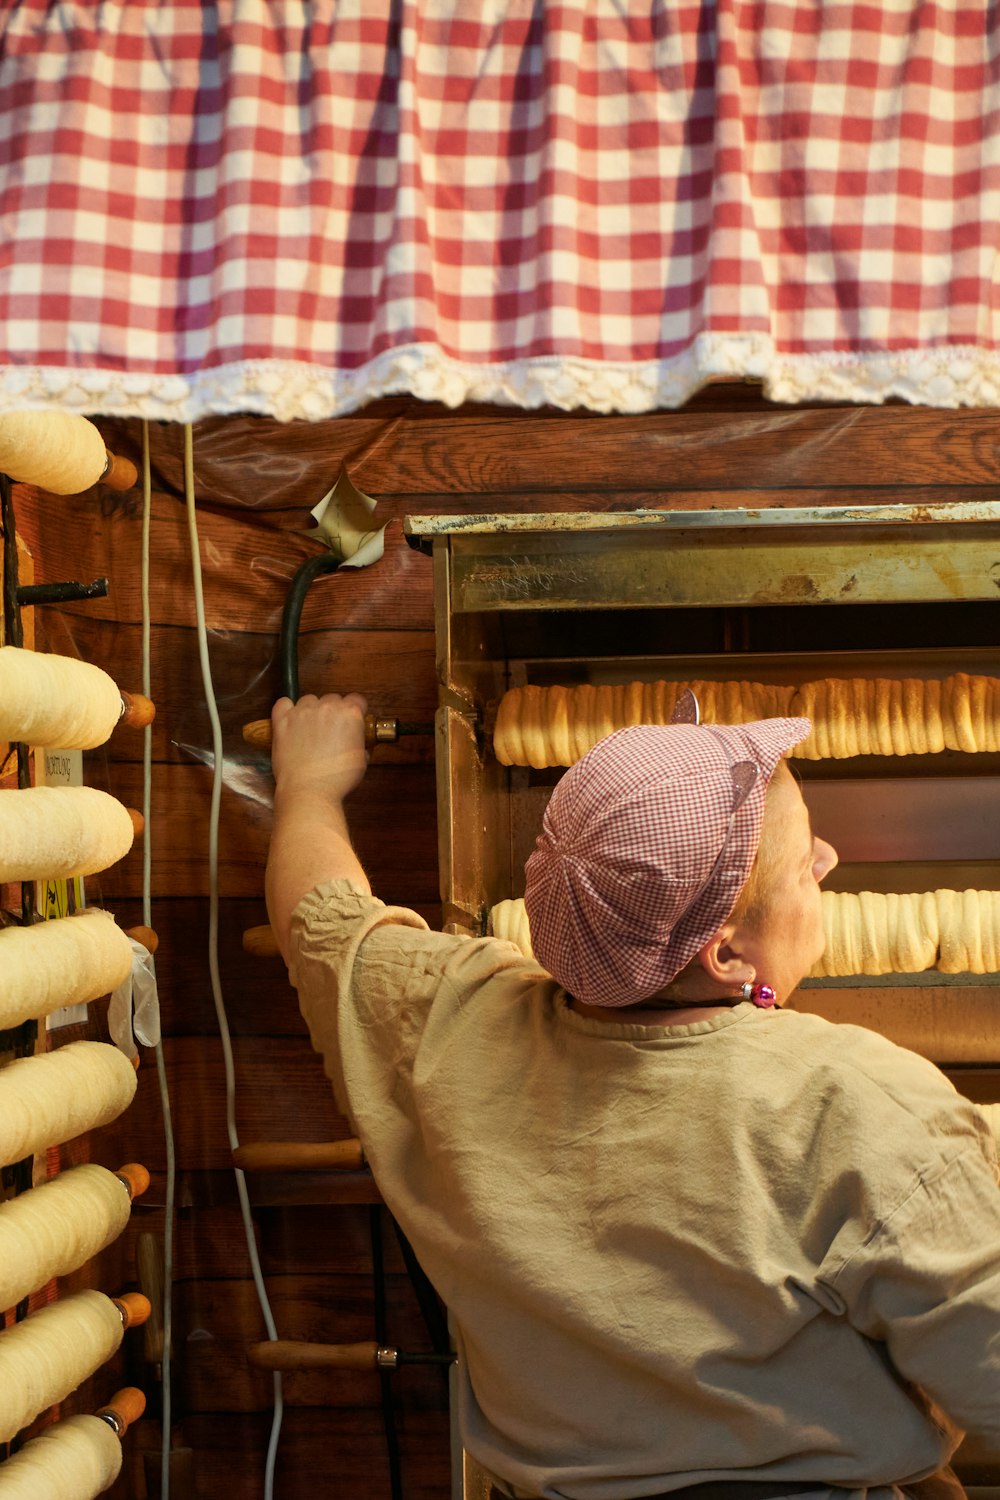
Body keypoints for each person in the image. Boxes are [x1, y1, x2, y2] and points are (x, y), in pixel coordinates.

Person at [265, 692, 1000, 1500]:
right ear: (726, 953)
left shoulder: (450, 1024)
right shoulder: (861, 1107)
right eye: (801, 864)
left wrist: (309, 784)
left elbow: (322, 924)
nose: (825, 858)